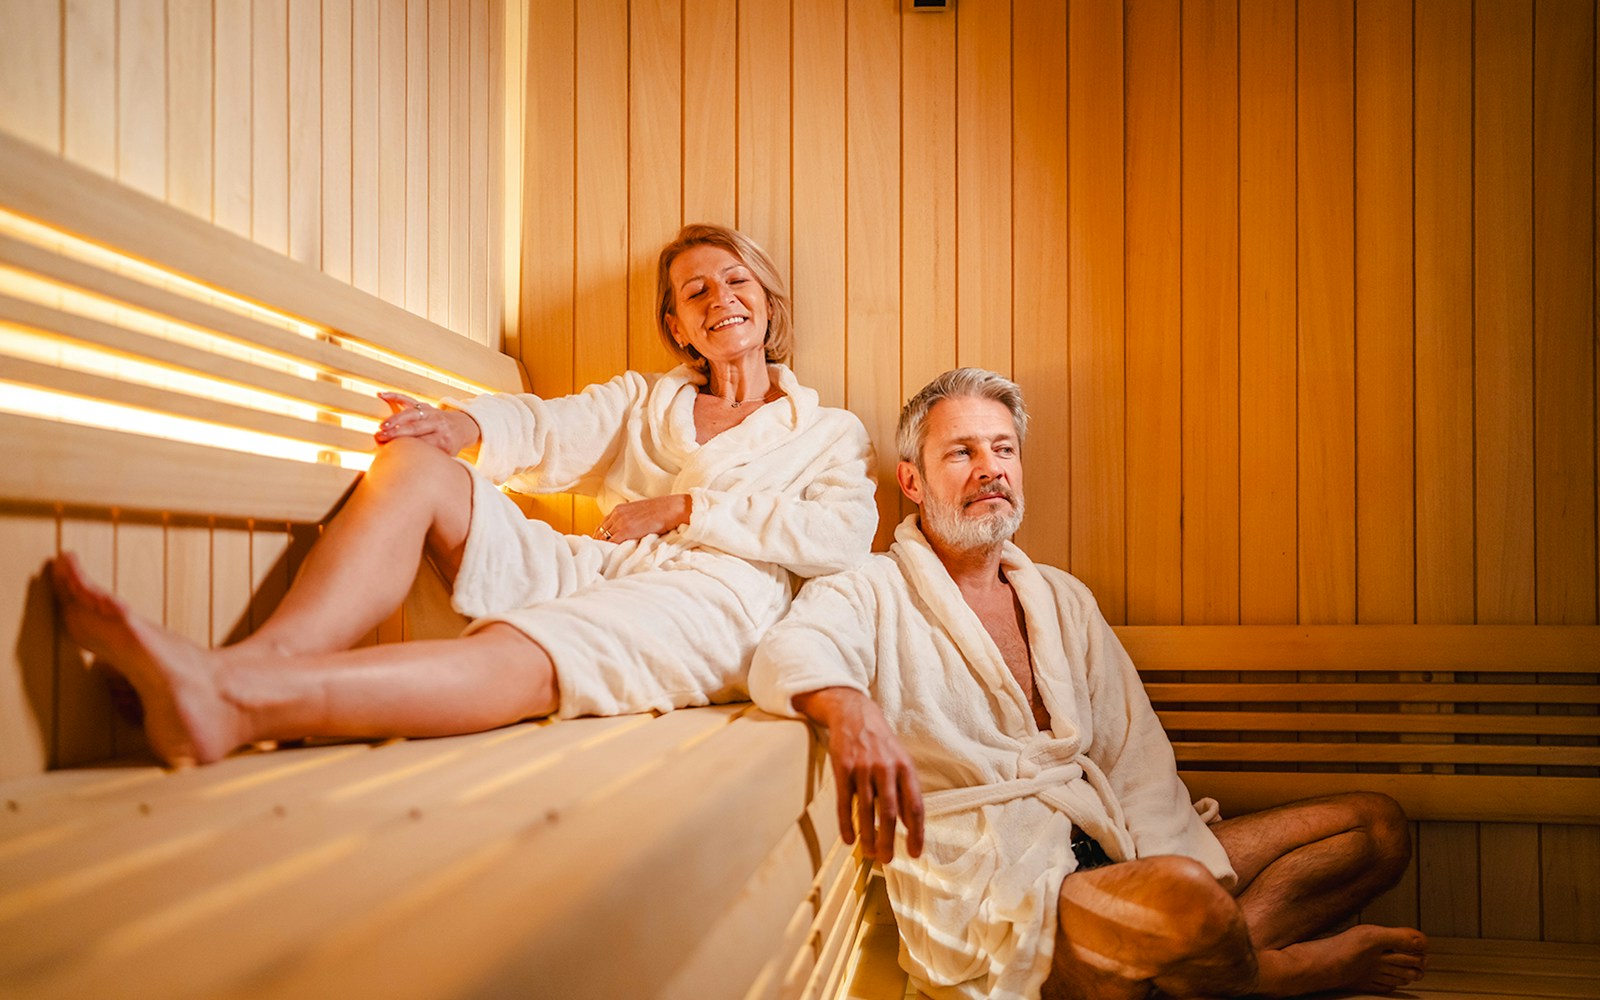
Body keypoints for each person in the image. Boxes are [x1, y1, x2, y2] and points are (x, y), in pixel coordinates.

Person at [51, 223, 878, 767]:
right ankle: (248, 666)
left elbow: (841, 535)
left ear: (768, 305)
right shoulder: (645, 400)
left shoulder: (828, 431)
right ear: (677, 327)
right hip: (601, 562)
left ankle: (235, 702)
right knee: (414, 467)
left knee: (545, 641)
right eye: (695, 292)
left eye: (736, 282)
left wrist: (690, 509)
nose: (720, 299)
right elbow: (551, 425)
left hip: (714, 601)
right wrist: (461, 429)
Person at [748, 368, 1427, 1000]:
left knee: (1376, 828)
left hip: (1107, 840)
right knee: (1187, 900)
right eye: (961, 453)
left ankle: (1199, 959)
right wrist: (848, 709)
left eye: (1003, 450)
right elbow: (787, 650)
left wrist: (1166, 858)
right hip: (996, 883)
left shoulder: (1060, 598)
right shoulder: (871, 590)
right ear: (913, 481)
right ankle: (1279, 972)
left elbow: (1134, 758)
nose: (990, 469)